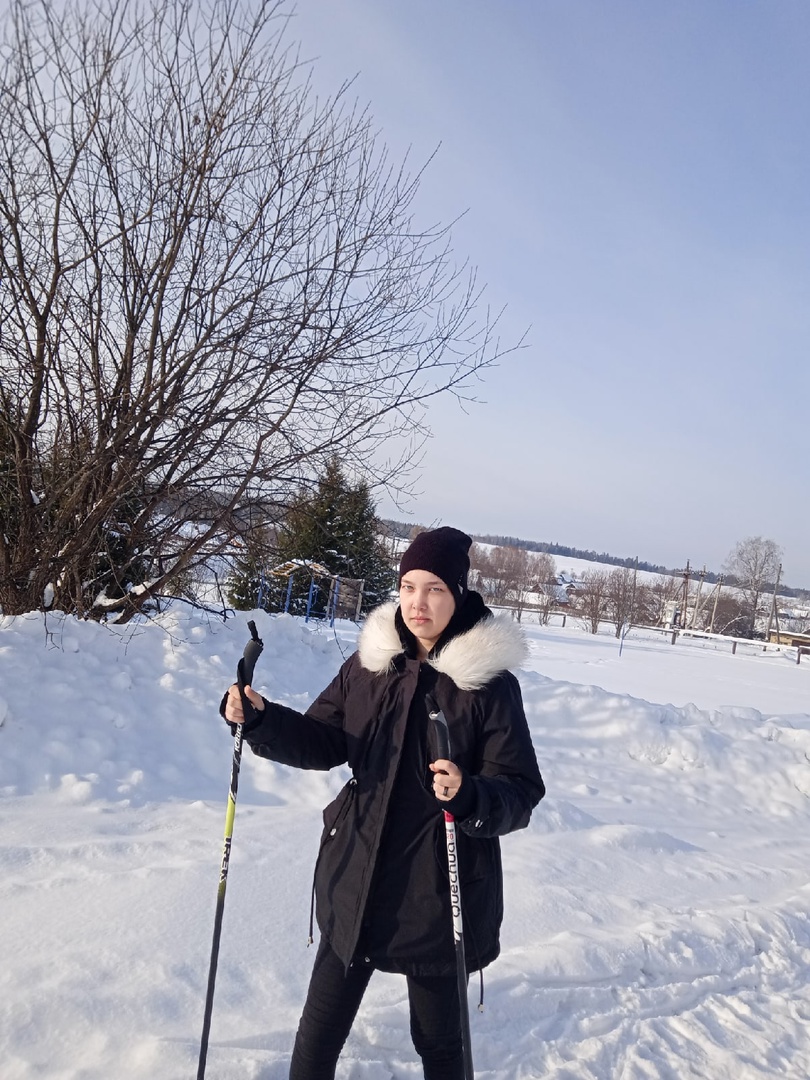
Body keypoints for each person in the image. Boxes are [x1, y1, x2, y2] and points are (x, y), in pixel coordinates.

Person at [222, 526, 545, 1080]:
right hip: (358, 879)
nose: (418, 603)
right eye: (408, 587)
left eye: (435, 589)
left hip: (438, 895)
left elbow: (520, 790)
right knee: (318, 1034)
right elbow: (325, 741)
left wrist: (470, 794)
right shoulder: (370, 666)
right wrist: (261, 720)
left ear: (459, 594)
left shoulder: (488, 686)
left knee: (440, 1046)